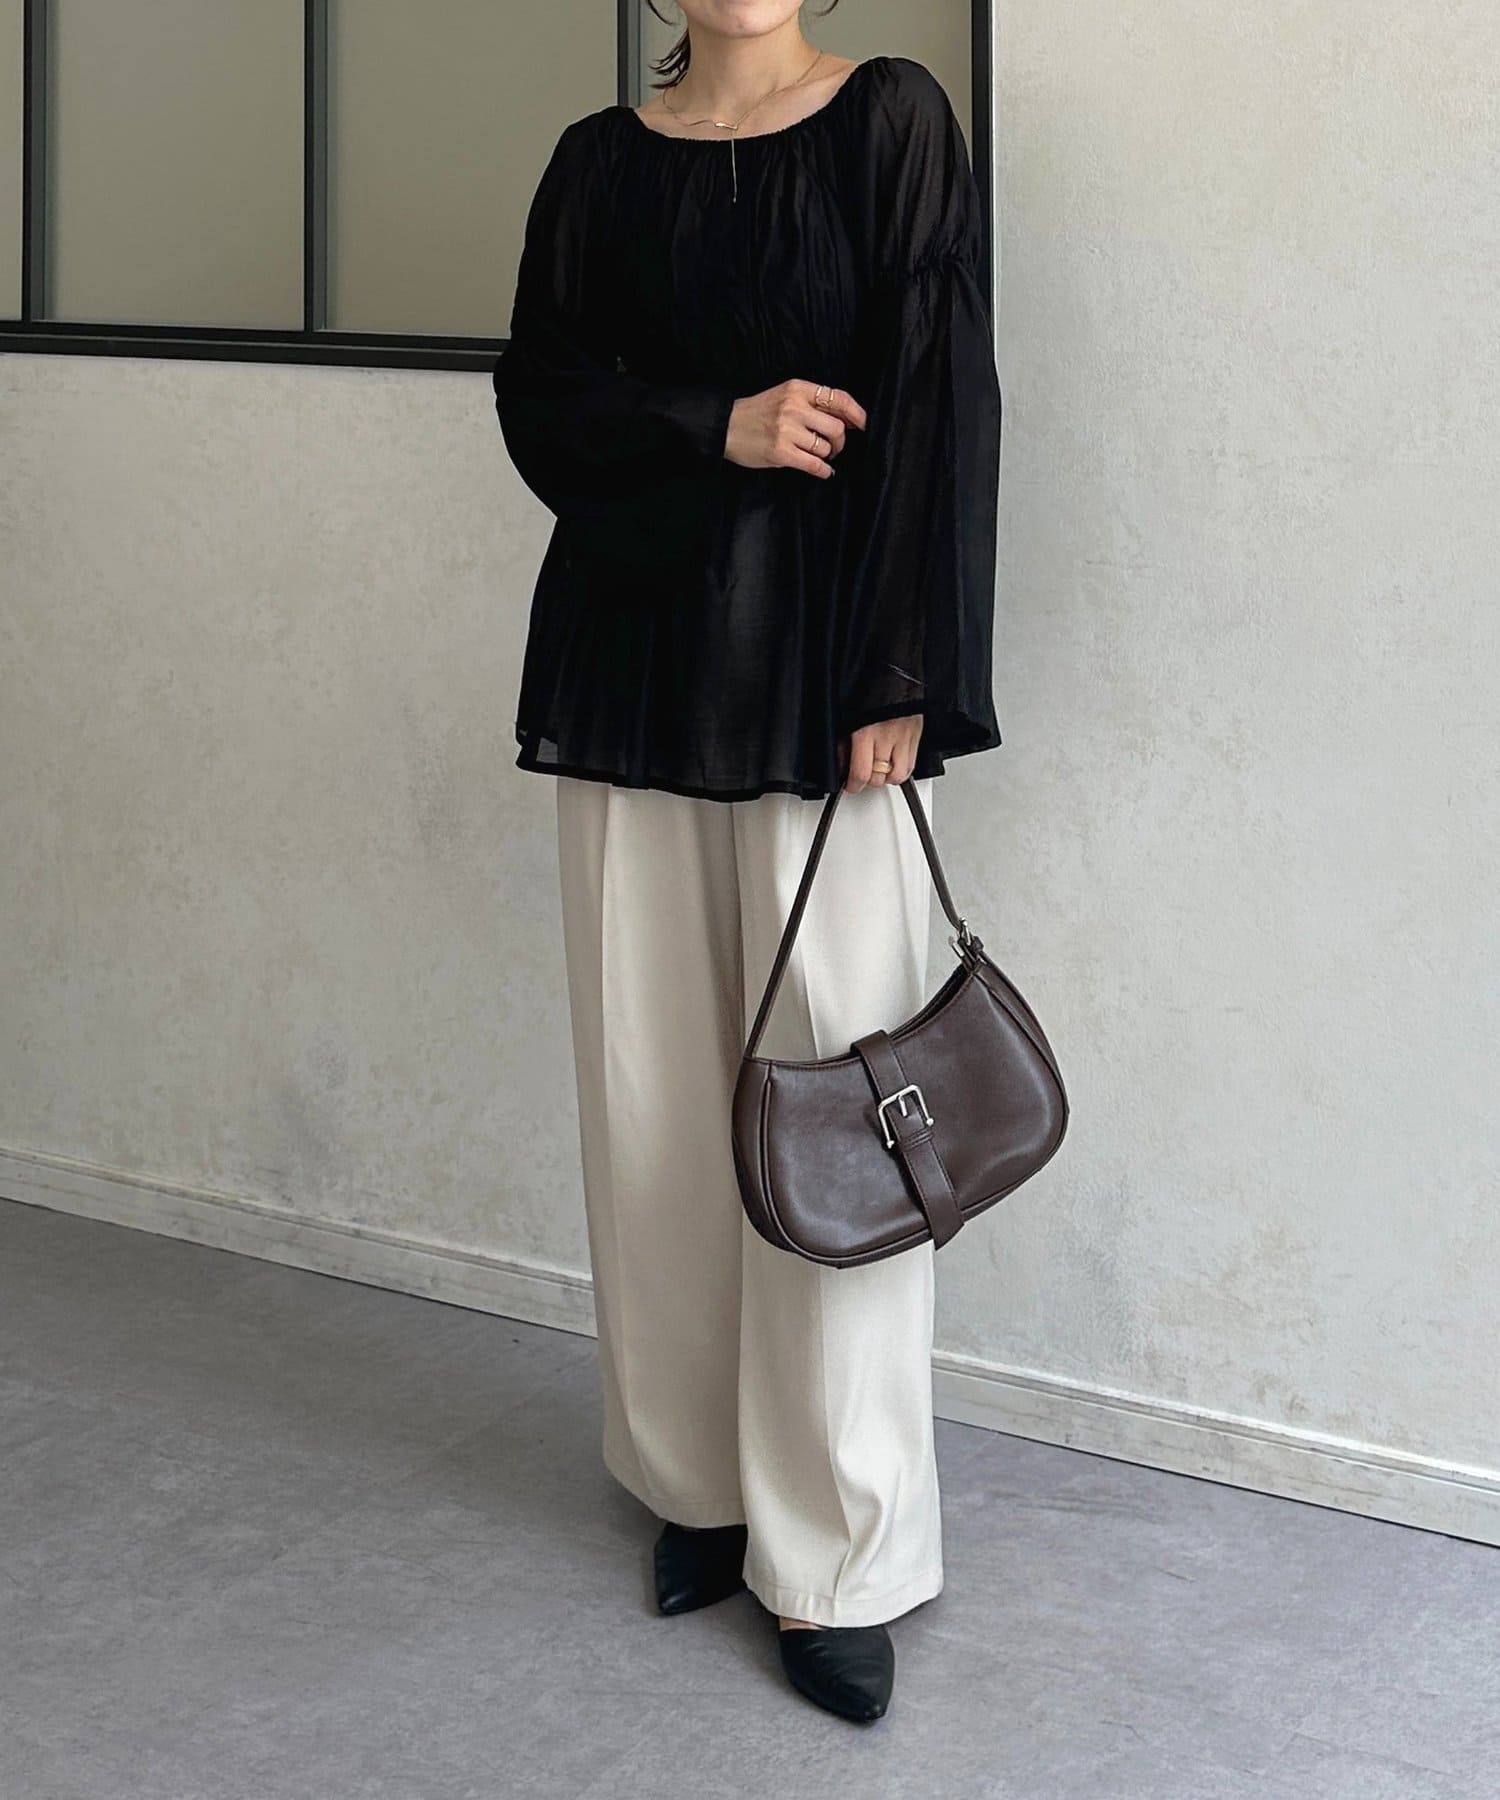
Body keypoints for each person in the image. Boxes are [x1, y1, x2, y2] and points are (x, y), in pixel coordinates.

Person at [492, 0, 1002, 1726]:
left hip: (821, 689)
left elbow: (941, 399)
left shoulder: (890, 123)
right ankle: (697, 1485)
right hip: (628, 680)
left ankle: (841, 1551)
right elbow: (542, 406)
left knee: (839, 1127)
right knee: (651, 1104)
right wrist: (713, 422)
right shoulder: (594, 165)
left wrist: (902, 673)